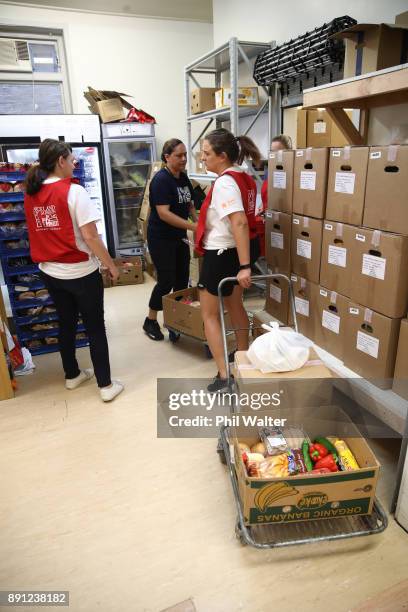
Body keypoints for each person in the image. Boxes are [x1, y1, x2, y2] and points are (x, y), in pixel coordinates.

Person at [24, 139, 123, 402]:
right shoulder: (74, 191)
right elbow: (90, 236)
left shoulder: (31, 191)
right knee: (94, 328)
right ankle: (105, 386)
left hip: (50, 271)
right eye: (71, 158)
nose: (74, 163)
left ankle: (72, 375)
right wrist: (110, 264)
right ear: (60, 162)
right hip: (80, 271)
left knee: (65, 323)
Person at [195, 128, 261, 393]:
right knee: (235, 304)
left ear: (222, 156)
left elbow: (240, 221)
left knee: (209, 313)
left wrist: (245, 266)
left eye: (206, 153)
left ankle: (225, 375)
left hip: (223, 252)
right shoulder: (244, 177)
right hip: (239, 250)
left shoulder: (224, 182)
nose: (202, 159)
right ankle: (242, 361)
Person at [143, 139, 198, 341]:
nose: (184, 159)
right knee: (166, 281)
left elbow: (190, 204)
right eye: (179, 155)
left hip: (179, 237)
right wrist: (193, 227)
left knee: (182, 281)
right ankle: (150, 320)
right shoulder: (161, 181)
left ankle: (176, 321)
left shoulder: (183, 177)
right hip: (161, 238)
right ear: (167, 157)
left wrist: (198, 223)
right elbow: (164, 214)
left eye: (185, 155)